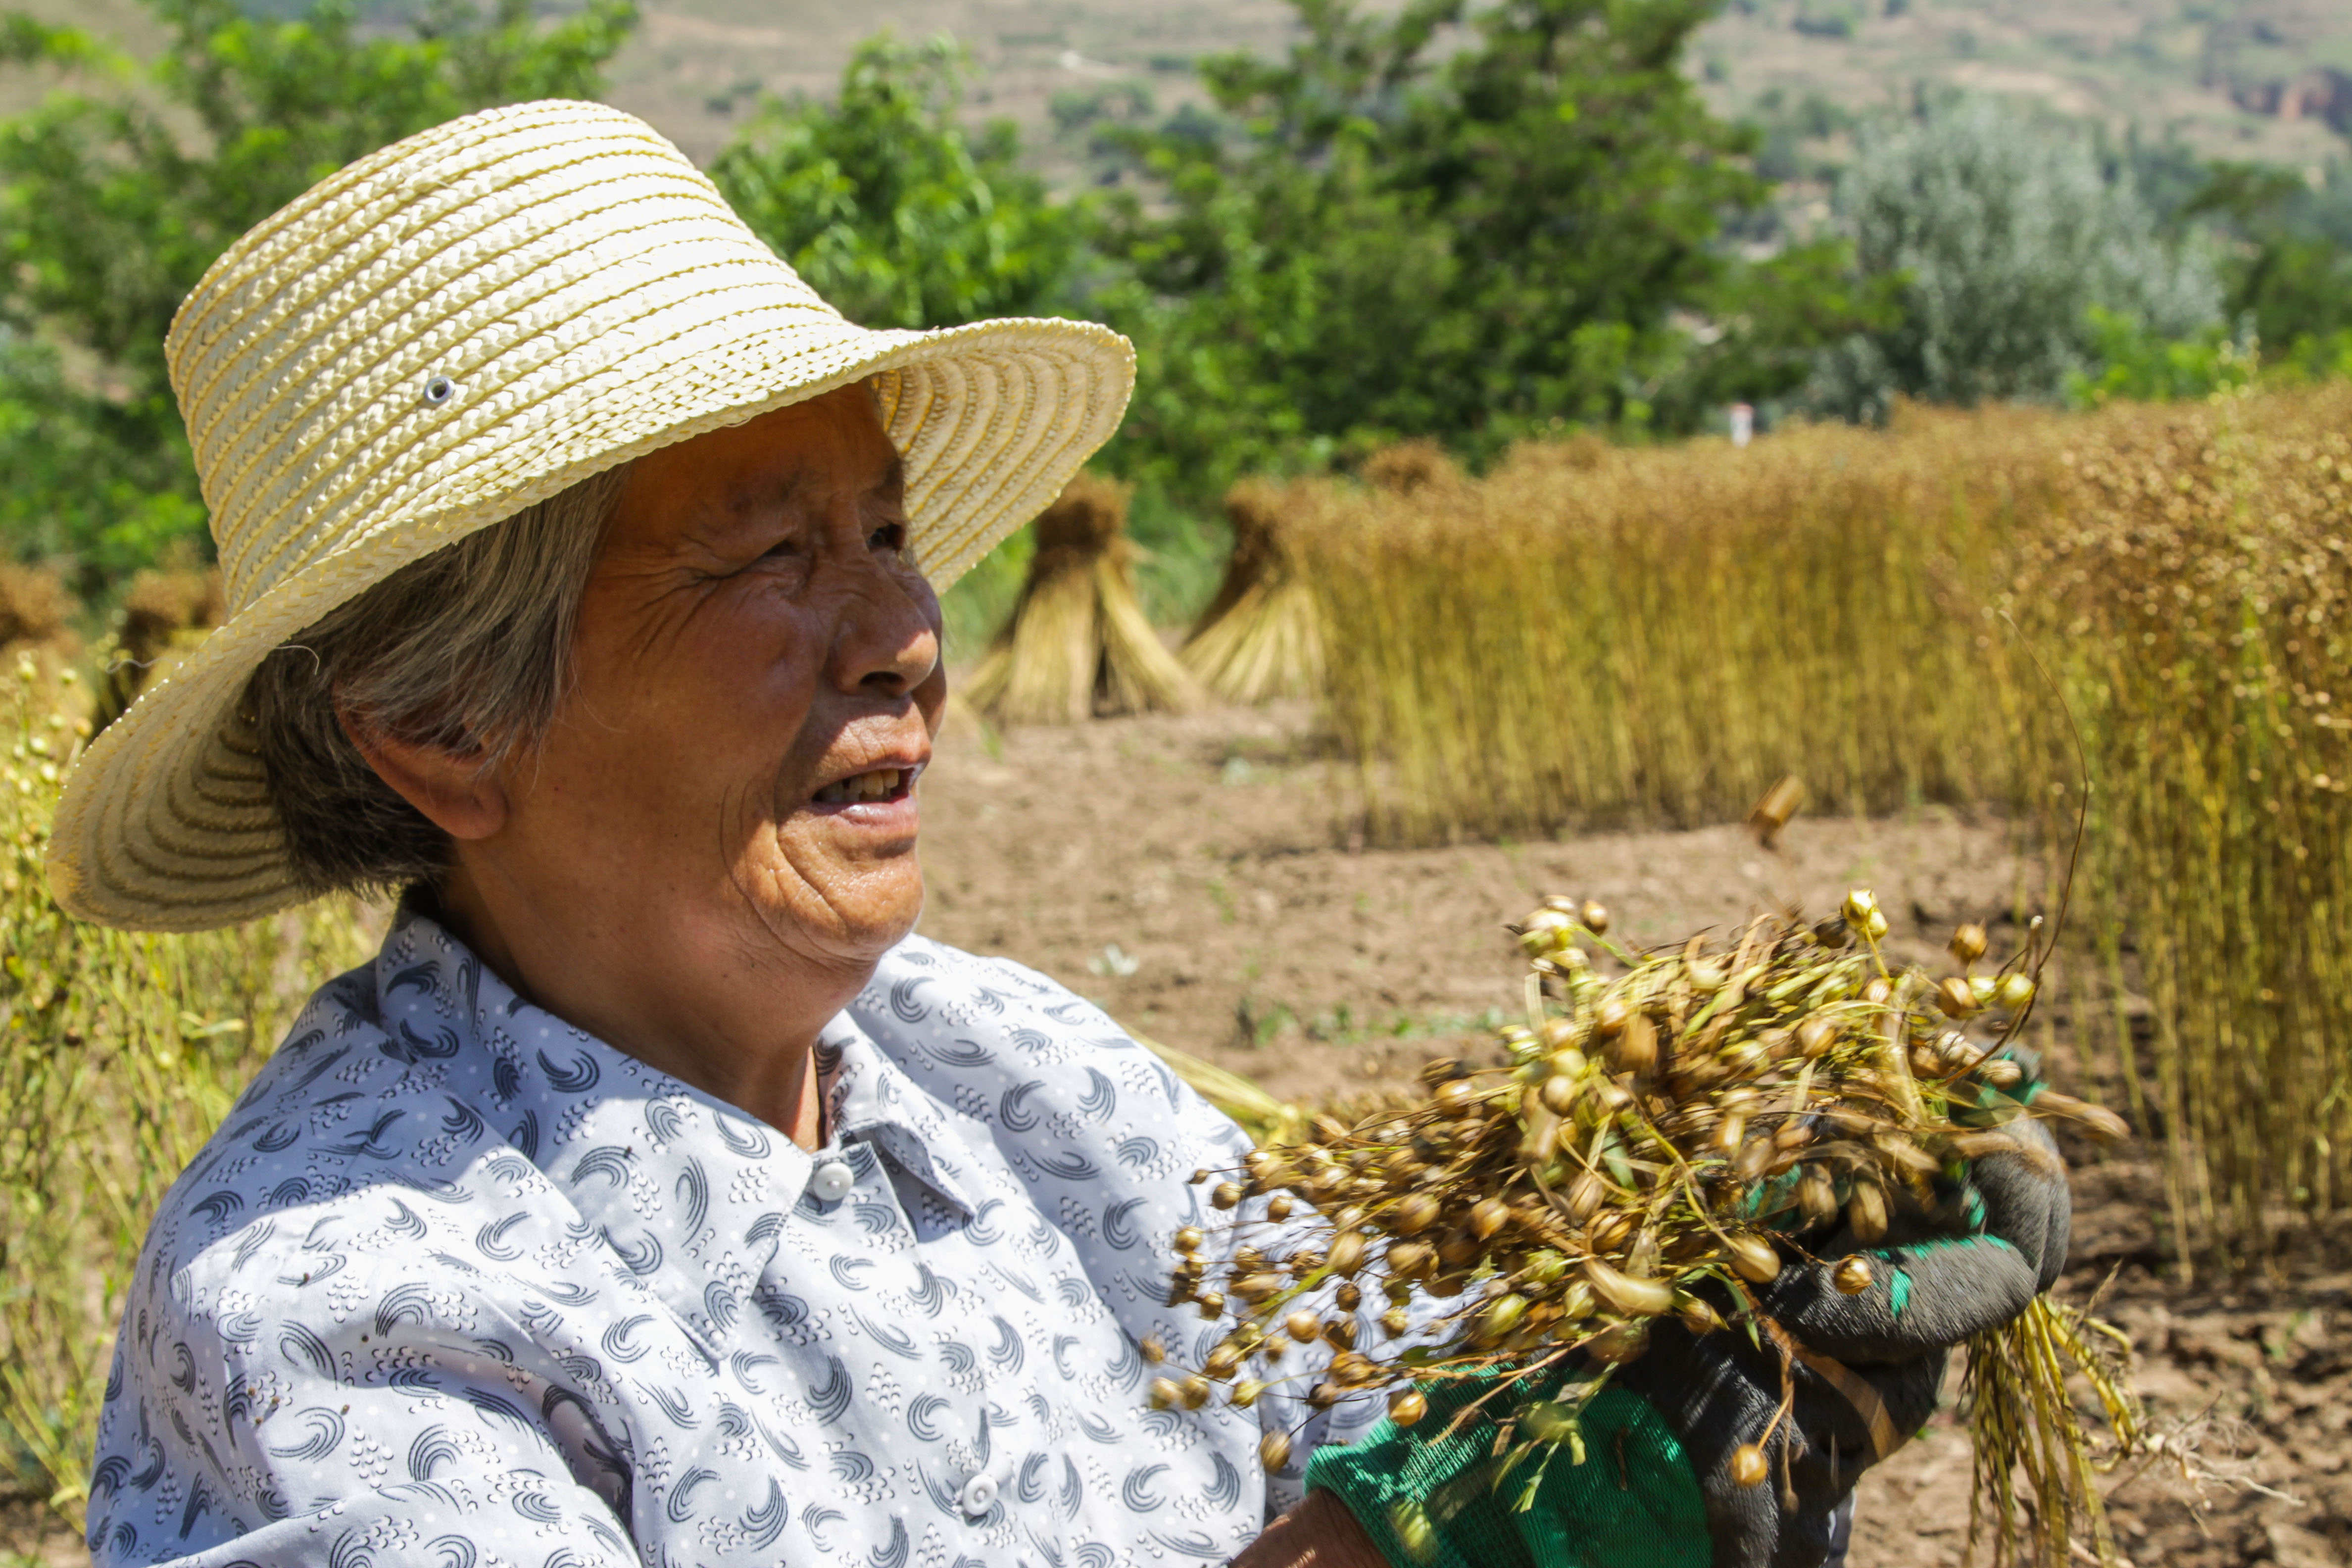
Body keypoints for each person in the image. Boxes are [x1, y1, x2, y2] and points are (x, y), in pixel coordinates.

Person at [52, 101, 2067, 1568]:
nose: (905, 640)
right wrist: (1412, 1558)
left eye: (890, 539)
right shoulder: (346, 1310)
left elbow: (1406, 1401)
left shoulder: (1002, 1071)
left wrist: (1716, 1279)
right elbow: (1411, 1526)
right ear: (438, 729)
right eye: (770, 558)